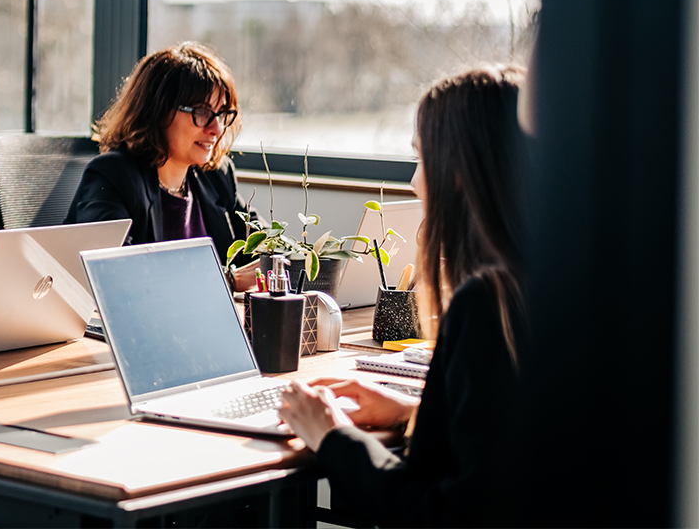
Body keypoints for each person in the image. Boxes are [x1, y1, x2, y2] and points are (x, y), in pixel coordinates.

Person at [277, 65, 526, 526]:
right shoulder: (550, 286)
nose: (414, 182)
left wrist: (332, 436)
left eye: (422, 158)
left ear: (458, 170)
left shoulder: (486, 305)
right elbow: (510, 446)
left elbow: (446, 516)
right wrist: (415, 410)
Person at [63, 42, 260, 287]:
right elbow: (117, 275)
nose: (216, 129)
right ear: (157, 111)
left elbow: (263, 242)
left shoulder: (217, 176)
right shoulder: (113, 176)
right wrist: (229, 280)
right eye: (201, 112)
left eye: (221, 113)